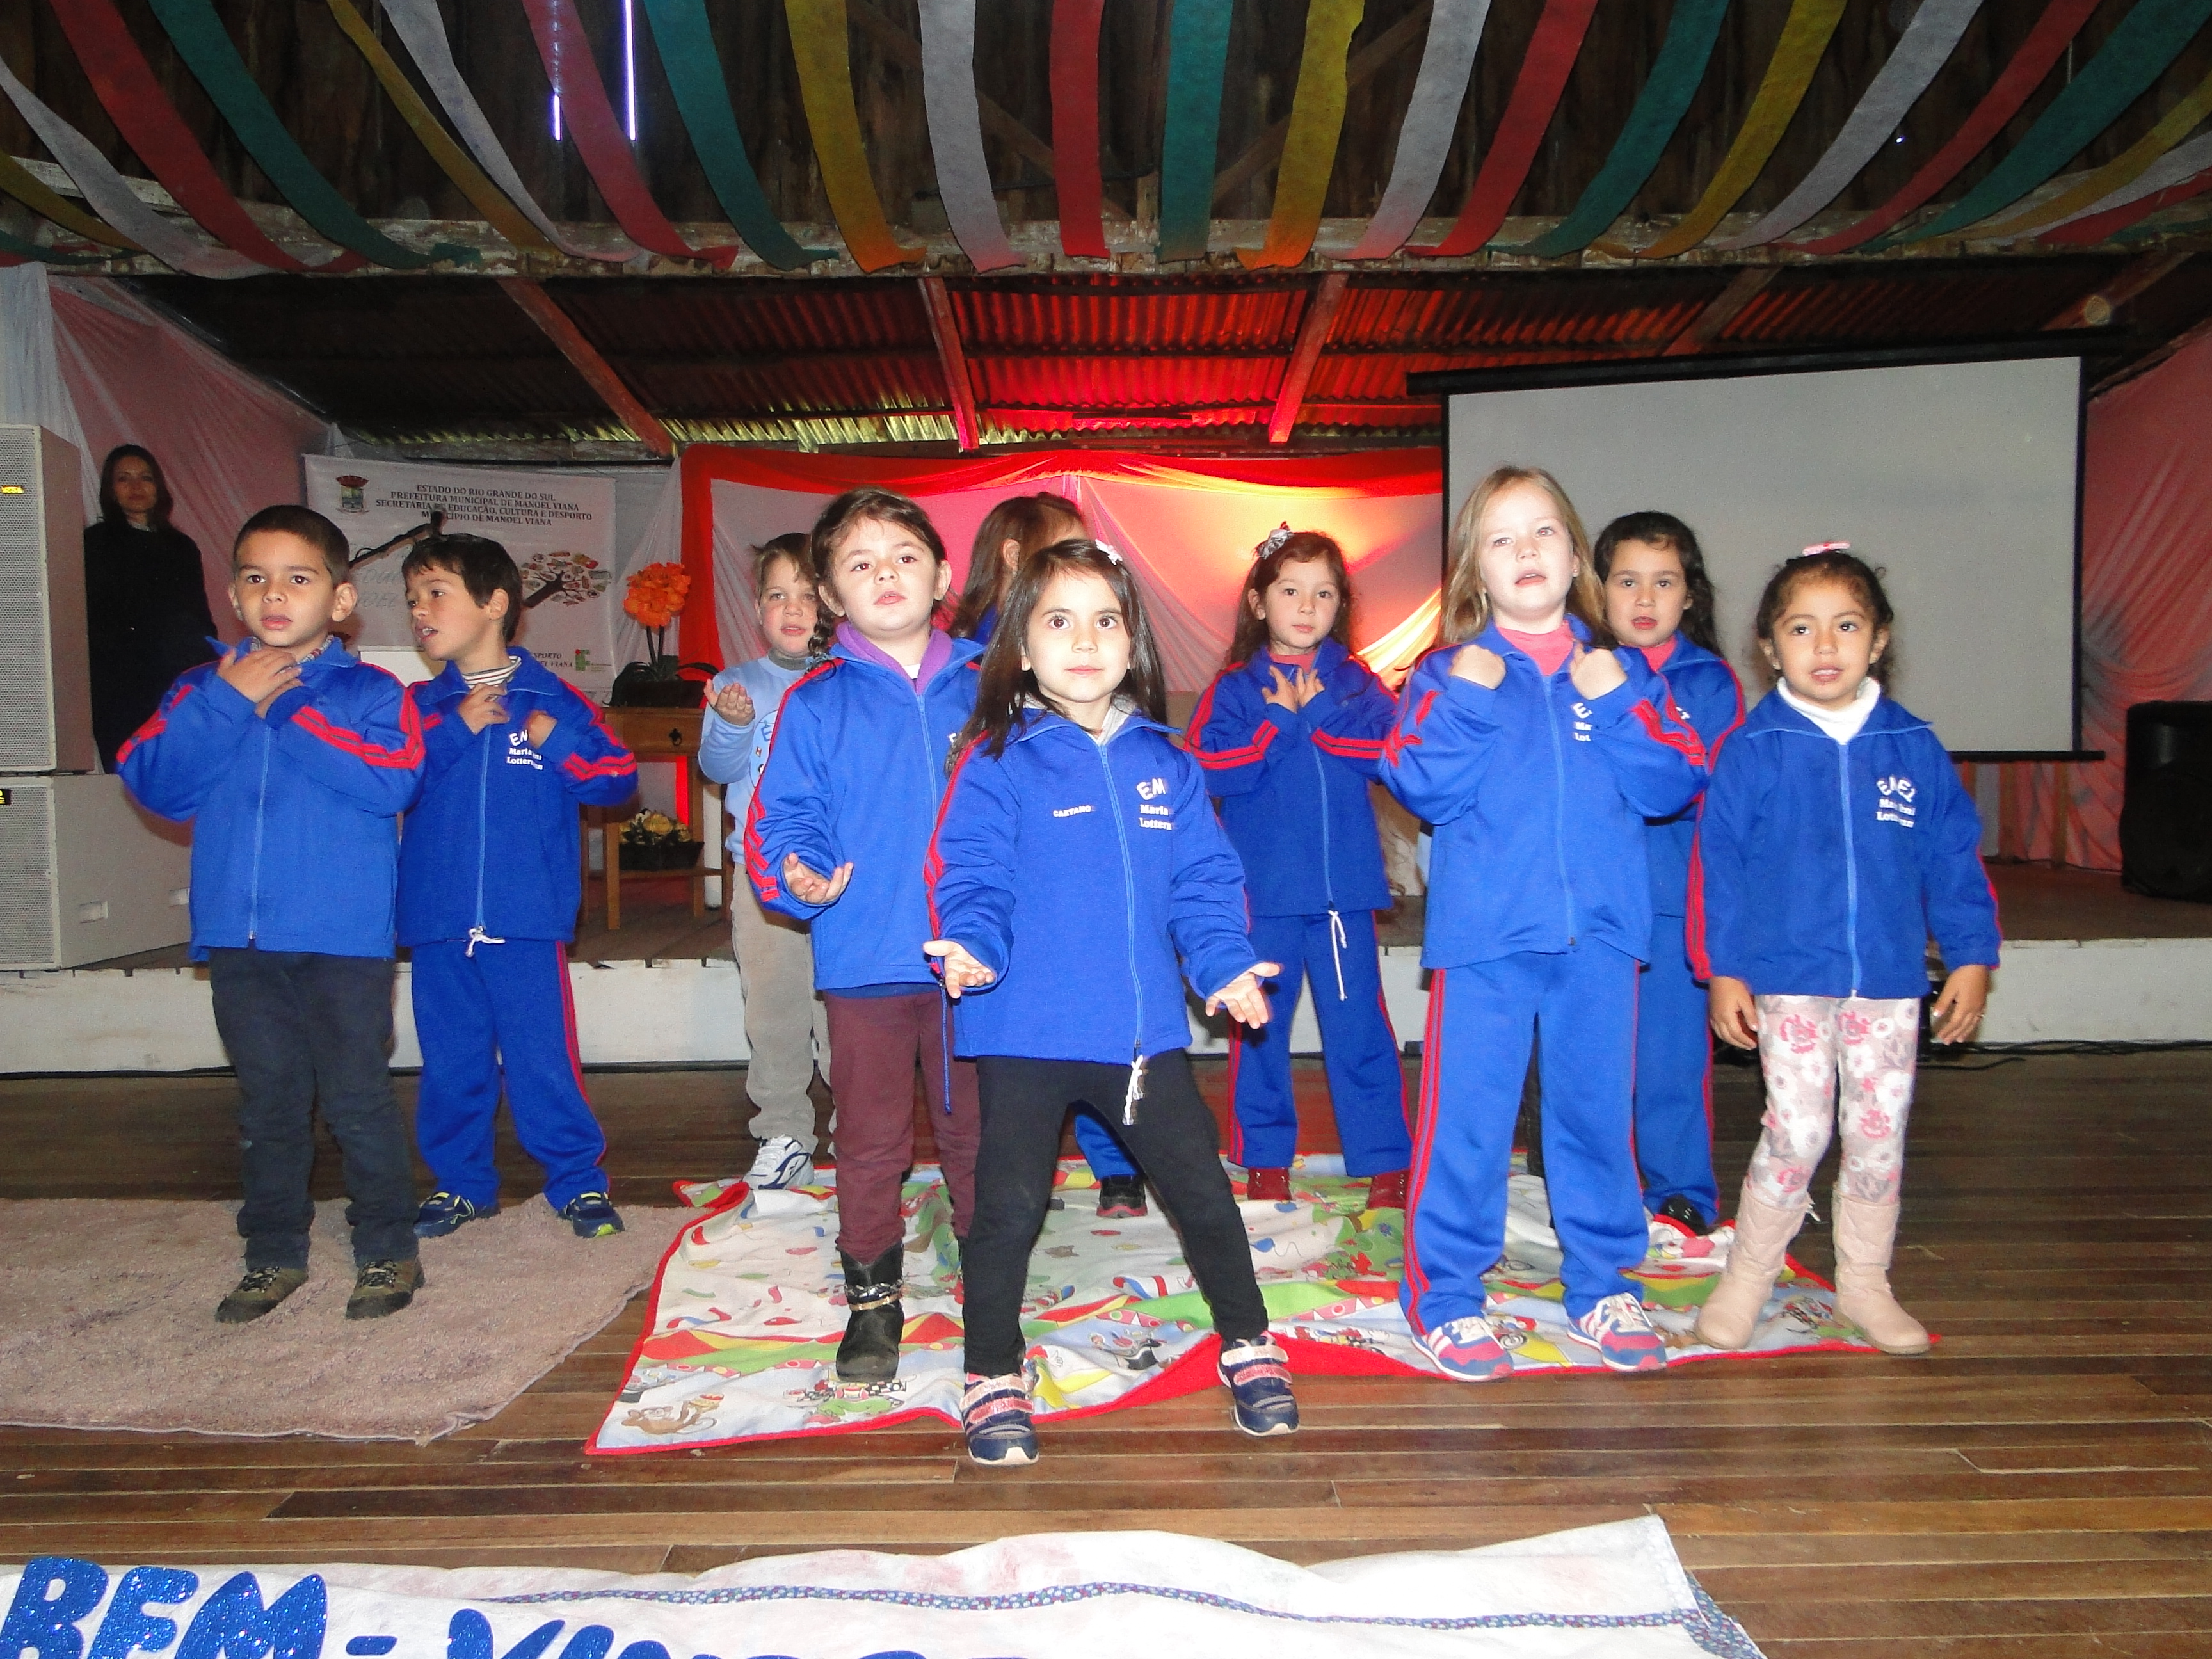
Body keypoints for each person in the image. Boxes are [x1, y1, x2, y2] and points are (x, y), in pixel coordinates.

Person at [926, 538, 1295, 1466]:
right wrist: (974, 947)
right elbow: (972, 874)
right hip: (1025, 1032)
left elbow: (1205, 885)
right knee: (1009, 1206)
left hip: (1140, 1039)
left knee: (1203, 1192)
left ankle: (1248, 1338)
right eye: (1059, 621)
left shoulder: (1168, 764)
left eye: (1106, 621)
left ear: (1134, 645)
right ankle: (991, 1368)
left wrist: (1225, 966)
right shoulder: (996, 760)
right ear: (1021, 648)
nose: (1085, 641)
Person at [1380, 466, 1706, 1380]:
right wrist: (1471, 695)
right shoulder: (1448, 674)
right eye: (1501, 538)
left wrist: (1617, 700)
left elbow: (1675, 781)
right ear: (1475, 571)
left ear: (1574, 558)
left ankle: (1602, 1283)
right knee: (1468, 1125)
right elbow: (1419, 783)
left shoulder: (1624, 674)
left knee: (1596, 1119)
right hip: (1486, 944)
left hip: (1601, 940)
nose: (1525, 550)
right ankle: (1445, 1296)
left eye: (1544, 532)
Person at [117, 505, 424, 1322]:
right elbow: (153, 781)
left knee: (356, 1098)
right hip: (239, 938)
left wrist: (283, 708)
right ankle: (273, 1254)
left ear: (341, 599)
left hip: (342, 939)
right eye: (256, 577)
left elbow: (391, 782)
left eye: (298, 578)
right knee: (269, 1104)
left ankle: (388, 1245)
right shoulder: (200, 689)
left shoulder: (371, 692)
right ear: (232, 595)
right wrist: (228, 700)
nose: (275, 594)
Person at [1692, 546, 1997, 1356]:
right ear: (1770, 648)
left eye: (1847, 626)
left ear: (1879, 640)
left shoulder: (1913, 745)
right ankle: (1748, 1275)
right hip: (1789, 976)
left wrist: (1971, 955)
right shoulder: (1754, 749)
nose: (1824, 646)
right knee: (1797, 1131)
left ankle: (1865, 1281)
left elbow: (1952, 857)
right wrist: (1724, 970)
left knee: (1877, 1137)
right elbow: (1721, 869)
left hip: (1888, 984)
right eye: (1802, 629)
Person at [745, 488, 984, 1383]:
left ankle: (990, 1277)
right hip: (866, 960)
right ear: (831, 596)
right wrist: (800, 874)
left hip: (979, 963)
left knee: (977, 1132)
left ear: (943, 576)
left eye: (904, 556)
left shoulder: (997, 686)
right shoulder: (816, 702)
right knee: (872, 1138)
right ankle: (874, 1299)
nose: (886, 573)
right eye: (859, 563)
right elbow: (786, 816)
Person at [398, 534, 640, 1242]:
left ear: (494, 603)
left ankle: (577, 1180)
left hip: (527, 920)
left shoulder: (554, 699)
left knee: (543, 1061)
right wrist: (452, 731)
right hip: (439, 922)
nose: (419, 610)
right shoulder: (419, 706)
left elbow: (617, 780)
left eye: (435, 593)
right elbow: (389, 785)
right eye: (412, 599)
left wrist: (556, 741)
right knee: (451, 1065)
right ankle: (460, 1184)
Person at [1185, 526, 1411, 1208]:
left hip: (1343, 898)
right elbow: (1204, 771)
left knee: (1359, 1030)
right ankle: (1264, 1158)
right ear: (1259, 602)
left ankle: (1386, 1161)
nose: (1307, 606)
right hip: (1264, 898)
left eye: (1324, 593)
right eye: (1290, 591)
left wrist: (1319, 714)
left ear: (1341, 604)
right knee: (1258, 1033)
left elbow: (1394, 757)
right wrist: (1275, 726)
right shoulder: (1234, 688)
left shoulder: (1357, 683)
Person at [948, 490, 1146, 1216]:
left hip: (1076, 860)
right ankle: (1015, 1186)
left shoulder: (1091, 659)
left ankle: (1114, 1160)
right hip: (1006, 865)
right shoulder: (969, 656)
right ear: (1014, 557)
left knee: (1095, 1015)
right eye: (1064, 545)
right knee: (1026, 1041)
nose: (1081, 635)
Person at [1593, 511, 1745, 1235]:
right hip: (1590, 904)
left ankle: (1682, 1191)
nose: (1645, 597)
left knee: (1669, 1062)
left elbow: (1698, 787)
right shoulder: (1573, 670)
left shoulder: (1709, 683)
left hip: (1671, 904)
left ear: (1691, 595)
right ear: (1598, 590)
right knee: (1592, 1062)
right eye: (1627, 581)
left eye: (1664, 581)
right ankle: (1596, 1191)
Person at [699, 534, 835, 1192]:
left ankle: (863, 1131)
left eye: (808, 595)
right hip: (761, 880)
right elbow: (718, 768)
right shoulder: (738, 684)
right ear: (757, 607)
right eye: (778, 595)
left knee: (845, 1012)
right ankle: (784, 1132)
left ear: (833, 603)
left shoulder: (846, 681)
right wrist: (731, 725)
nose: (793, 608)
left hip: (840, 883)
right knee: (774, 1009)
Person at [84, 445, 218, 769]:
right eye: (124, 479)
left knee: (180, 770)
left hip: (175, 680)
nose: (136, 487)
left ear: (159, 486)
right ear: (110, 489)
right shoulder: (94, 543)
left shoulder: (182, 547)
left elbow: (198, 616)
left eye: (145, 478)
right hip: (118, 685)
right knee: (129, 773)